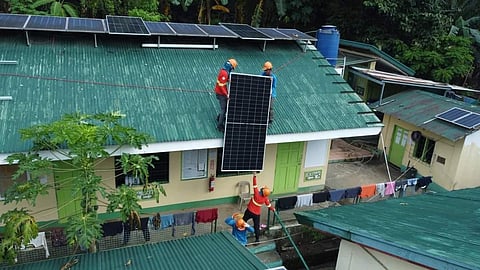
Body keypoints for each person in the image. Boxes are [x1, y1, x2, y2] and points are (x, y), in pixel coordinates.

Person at [243, 172, 275, 243]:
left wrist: (254, 176)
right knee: (256, 226)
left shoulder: (256, 194)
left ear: (262, 191)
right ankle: (257, 239)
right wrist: (273, 209)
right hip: (257, 214)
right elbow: (269, 205)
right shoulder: (265, 198)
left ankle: (240, 232)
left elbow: (254, 185)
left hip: (249, 210)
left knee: (243, 221)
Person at [215, 58, 238, 132]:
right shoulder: (224, 73)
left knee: (224, 108)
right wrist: (226, 94)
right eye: (232, 68)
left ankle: (219, 117)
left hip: (221, 92)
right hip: (221, 93)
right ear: (231, 66)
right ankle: (220, 125)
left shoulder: (224, 71)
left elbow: (223, 81)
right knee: (223, 109)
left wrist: (228, 80)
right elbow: (221, 85)